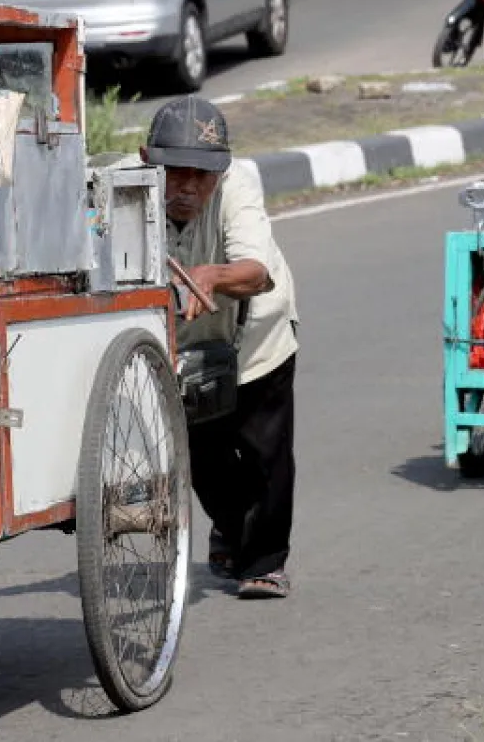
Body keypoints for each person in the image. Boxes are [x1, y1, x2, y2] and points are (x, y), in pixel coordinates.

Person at [137, 97, 300, 600]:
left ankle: (265, 562)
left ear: (219, 173)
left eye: (200, 176)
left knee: (264, 452)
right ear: (150, 163)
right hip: (186, 347)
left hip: (256, 338)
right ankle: (232, 531)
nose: (186, 187)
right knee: (203, 457)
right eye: (175, 173)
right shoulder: (126, 191)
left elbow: (256, 272)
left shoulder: (238, 188)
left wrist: (212, 275)